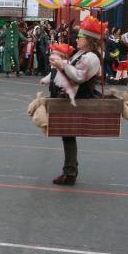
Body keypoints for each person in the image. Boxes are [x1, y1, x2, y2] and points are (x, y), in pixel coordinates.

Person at [48, 16, 104, 186]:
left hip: (78, 99)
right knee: (67, 135)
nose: (77, 39)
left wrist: (62, 65)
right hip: (72, 97)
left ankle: (70, 172)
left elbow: (79, 77)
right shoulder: (82, 54)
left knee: (68, 134)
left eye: (80, 37)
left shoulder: (91, 57)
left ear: (89, 40)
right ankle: (70, 170)